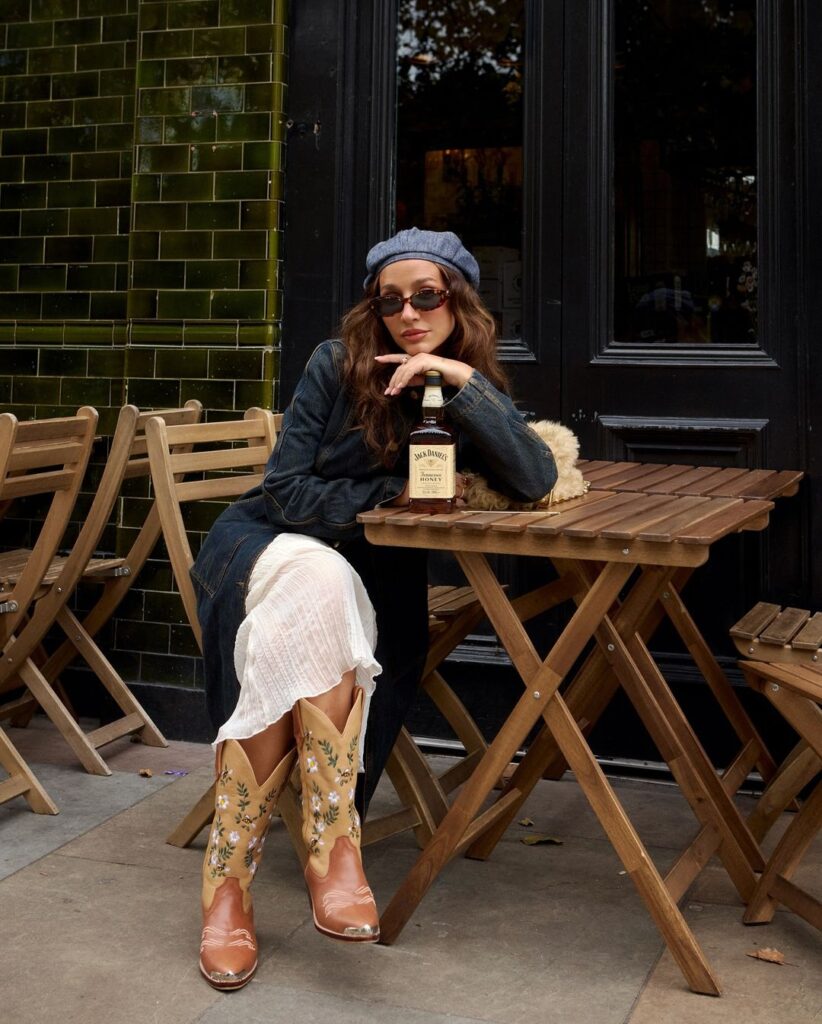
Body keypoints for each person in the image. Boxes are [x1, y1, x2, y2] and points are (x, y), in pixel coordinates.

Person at [192, 227, 558, 990]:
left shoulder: (462, 385)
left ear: (458, 299)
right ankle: (334, 848)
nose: (408, 314)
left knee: (328, 599)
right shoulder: (336, 364)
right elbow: (286, 494)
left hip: (358, 583)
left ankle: (227, 887)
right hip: (269, 548)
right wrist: (392, 495)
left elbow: (533, 476)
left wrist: (458, 380)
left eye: (427, 296)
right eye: (391, 300)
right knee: (321, 582)